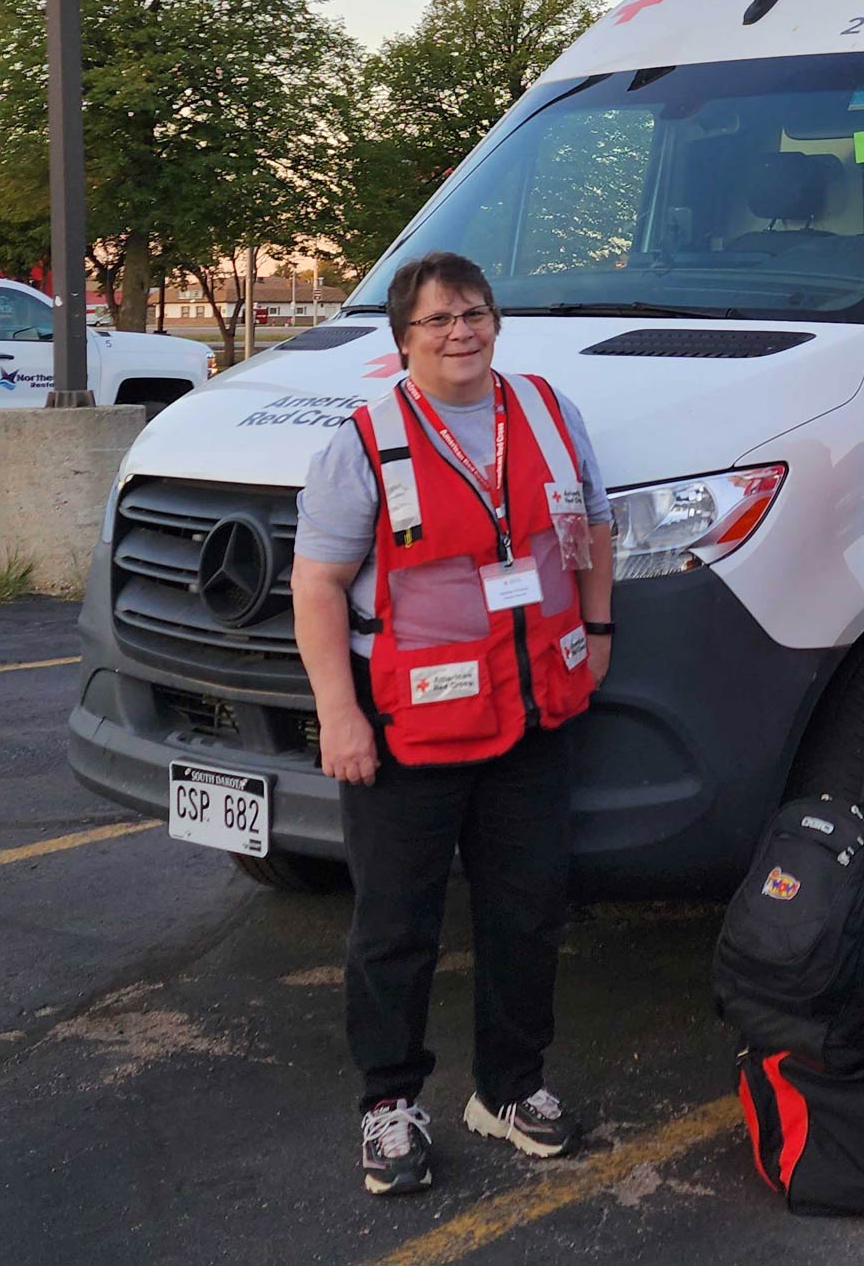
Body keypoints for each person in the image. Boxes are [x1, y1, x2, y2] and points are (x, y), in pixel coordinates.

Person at [292, 250, 614, 1195]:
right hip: (409, 731)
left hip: (530, 718)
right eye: (436, 321)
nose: (460, 332)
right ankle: (389, 1105)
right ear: (403, 340)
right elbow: (314, 584)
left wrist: (598, 630)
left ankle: (511, 1089)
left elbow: (592, 526)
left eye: (473, 313)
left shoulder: (549, 415)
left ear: (496, 321)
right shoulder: (365, 441)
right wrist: (338, 715)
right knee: (397, 926)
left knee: (527, 912)